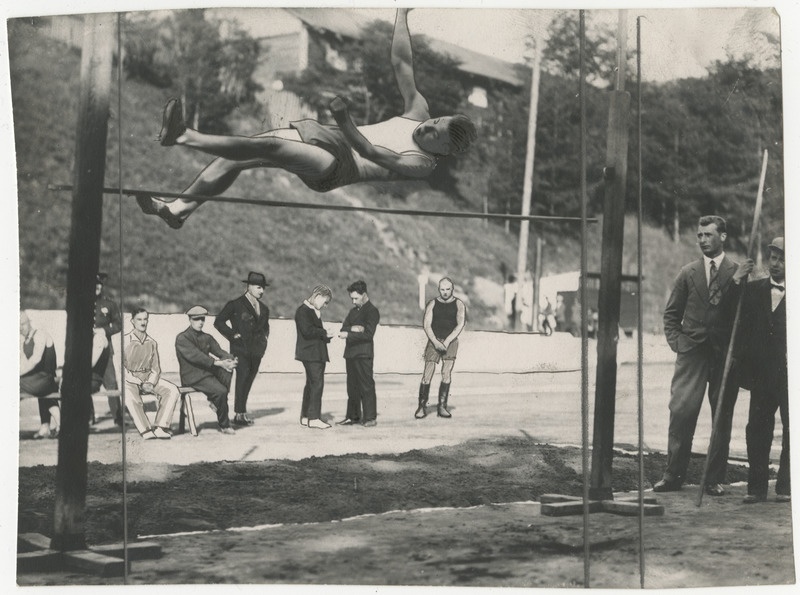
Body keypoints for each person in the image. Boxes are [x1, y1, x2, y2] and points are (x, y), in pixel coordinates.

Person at [136, 8, 477, 230]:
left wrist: (344, 120)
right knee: (238, 158)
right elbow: (402, 62)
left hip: (338, 166)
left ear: (443, 149)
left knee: (270, 146)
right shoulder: (419, 109)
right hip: (330, 135)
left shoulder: (423, 164)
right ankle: (179, 208)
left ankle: (183, 137)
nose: (428, 126)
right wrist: (402, 11)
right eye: (437, 120)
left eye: (436, 133)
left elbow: (372, 153)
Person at [653, 215, 753, 496]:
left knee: (721, 417)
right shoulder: (688, 272)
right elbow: (671, 314)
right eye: (699, 235)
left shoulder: (738, 272)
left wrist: (738, 354)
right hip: (692, 355)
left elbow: (745, 319)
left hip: (724, 355)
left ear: (723, 236)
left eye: (708, 234)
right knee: (681, 412)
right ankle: (673, 475)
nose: (703, 240)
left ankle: (713, 479)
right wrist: (678, 344)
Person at [738, 237, 789, 503]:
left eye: (784, 259)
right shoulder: (754, 290)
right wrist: (737, 280)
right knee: (756, 428)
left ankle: (787, 487)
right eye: (774, 258)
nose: (777, 264)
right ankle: (756, 488)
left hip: (792, 375)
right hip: (761, 374)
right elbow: (732, 318)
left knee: (794, 429)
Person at [214, 271, 270, 426]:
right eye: (259, 287)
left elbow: (266, 328)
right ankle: (239, 414)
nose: (262, 291)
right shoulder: (236, 304)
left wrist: (264, 343)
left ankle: (241, 413)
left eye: (263, 288)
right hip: (241, 349)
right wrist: (233, 335)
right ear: (249, 286)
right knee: (242, 378)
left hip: (257, 351)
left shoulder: (264, 308)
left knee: (249, 380)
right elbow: (219, 322)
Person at [175, 305, 238, 434]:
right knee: (221, 391)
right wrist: (219, 363)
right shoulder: (182, 338)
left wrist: (231, 360)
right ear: (190, 320)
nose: (200, 322)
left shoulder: (206, 337)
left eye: (202, 319)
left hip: (206, 374)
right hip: (192, 376)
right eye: (197, 319)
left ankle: (215, 402)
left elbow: (219, 351)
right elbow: (198, 357)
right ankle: (224, 425)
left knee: (227, 370)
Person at [122, 308, 181, 440]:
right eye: (139, 319)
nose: (143, 322)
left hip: (148, 378)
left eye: (145, 319)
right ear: (132, 321)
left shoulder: (152, 342)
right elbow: (122, 368)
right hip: (130, 379)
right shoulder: (125, 340)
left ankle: (160, 427)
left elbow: (156, 368)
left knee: (172, 390)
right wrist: (139, 383)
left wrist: (150, 382)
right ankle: (145, 430)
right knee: (131, 398)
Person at [415, 277, 467, 419]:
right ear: (439, 289)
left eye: (448, 289)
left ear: (452, 289)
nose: (445, 292)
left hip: (451, 342)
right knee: (427, 373)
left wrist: (448, 341)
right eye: (442, 289)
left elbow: (460, 325)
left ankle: (442, 406)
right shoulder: (432, 303)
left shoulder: (459, 304)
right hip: (434, 341)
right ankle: (421, 406)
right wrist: (435, 342)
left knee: (446, 373)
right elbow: (427, 324)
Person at [337, 280, 380, 427]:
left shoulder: (372, 311)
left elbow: (368, 335)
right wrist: (355, 329)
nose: (354, 301)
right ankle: (353, 417)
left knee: (366, 385)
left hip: (363, 354)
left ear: (364, 295)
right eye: (352, 299)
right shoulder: (352, 311)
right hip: (350, 354)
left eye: (356, 298)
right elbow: (343, 328)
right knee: (352, 387)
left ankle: (370, 418)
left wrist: (349, 333)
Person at [294, 285, 335, 429]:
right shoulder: (303, 311)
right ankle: (314, 417)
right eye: (325, 302)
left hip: (313, 353)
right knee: (317, 384)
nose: (325, 306)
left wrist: (325, 335)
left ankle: (306, 416)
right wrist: (324, 333)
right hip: (312, 354)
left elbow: (312, 331)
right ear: (317, 296)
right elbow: (307, 331)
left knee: (311, 384)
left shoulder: (311, 311)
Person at [19, 311, 60, 439]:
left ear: (28, 322)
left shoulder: (40, 334)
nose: (21, 328)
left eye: (22, 324)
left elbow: (36, 359)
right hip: (40, 381)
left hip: (47, 378)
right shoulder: (25, 341)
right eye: (18, 326)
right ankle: (48, 426)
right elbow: (23, 363)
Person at [94, 273, 122, 424]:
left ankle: (118, 417)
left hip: (105, 351)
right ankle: (87, 417)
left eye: (99, 285)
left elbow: (118, 325)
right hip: (86, 350)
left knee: (111, 383)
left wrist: (103, 331)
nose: (96, 288)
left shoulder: (109, 304)